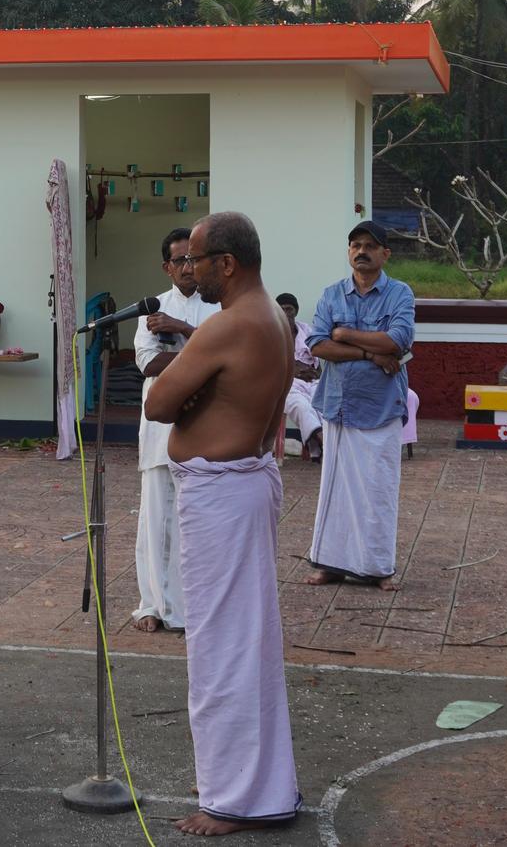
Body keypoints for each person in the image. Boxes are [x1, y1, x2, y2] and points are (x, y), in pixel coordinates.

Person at [146, 212, 300, 836]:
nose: (190, 269)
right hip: (247, 482)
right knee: (247, 640)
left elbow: (157, 402)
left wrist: (192, 394)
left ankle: (232, 798)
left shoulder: (226, 326)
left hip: (222, 495)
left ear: (227, 264)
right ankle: (243, 777)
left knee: (220, 648)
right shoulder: (277, 318)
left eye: (198, 260)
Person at [306, 221, 415, 590]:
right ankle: (330, 564)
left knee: (378, 490)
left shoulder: (399, 294)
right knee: (335, 490)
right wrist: (370, 351)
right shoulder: (331, 294)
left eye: (370, 245)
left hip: (381, 406)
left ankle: (378, 568)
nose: (361, 251)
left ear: (386, 253)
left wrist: (345, 334)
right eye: (355, 245)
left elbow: (398, 341)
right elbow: (319, 345)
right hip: (339, 405)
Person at [131, 227, 220, 633]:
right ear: (167, 266)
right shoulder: (152, 308)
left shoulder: (218, 307)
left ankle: (190, 609)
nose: (188, 267)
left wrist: (182, 331)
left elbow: (225, 356)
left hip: (203, 426)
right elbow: (149, 364)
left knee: (195, 521)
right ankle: (152, 605)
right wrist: (198, 358)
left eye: (193, 259)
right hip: (157, 428)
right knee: (155, 519)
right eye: (180, 260)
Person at [276, 292, 323, 461]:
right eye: (281, 310)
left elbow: (318, 361)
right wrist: (293, 369)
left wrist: (314, 372)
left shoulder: (306, 330)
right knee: (301, 406)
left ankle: (316, 448)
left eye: (289, 309)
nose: (286, 313)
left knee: (322, 403)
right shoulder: (271, 333)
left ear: (295, 312)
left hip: (311, 379)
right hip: (287, 383)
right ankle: (322, 440)